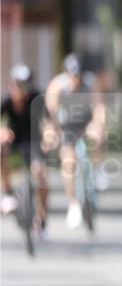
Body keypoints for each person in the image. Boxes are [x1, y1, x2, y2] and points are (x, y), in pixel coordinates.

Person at [44, 54, 106, 229]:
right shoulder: (58, 85)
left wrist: (99, 125)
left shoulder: (91, 83)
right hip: (67, 126)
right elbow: (51, 112)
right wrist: (51, 132)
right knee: (68, 163)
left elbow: (99, 107)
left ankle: (98, 168)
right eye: (73, 75)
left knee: (96, 136)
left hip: (86, 122)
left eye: (78, 75)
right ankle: (73, 204)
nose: (76, 79)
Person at [1, 64, 49, 232]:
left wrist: (49, 135)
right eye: (17, 84)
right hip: (14, 141)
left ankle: (42, 218)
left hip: (34, 142)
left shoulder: (37, 99)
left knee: (41, 174)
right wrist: (3, 131)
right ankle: (8, 193)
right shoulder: (6, 102)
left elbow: (49, 121)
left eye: (25, 85)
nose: (20, 90)